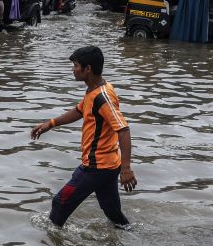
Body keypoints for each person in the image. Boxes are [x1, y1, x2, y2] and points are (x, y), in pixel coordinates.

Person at [31, 46, 136, 228]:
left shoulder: (102, 97)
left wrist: (126, 169)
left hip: (96, 167)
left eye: (76, 65)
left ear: (88, 69)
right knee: (112, 212)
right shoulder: (94, 90)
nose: (73, 69)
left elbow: (123, 129)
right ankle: (126, 239)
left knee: (60, 202)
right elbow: (79, 111)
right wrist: (51, 123)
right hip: (109, 164)